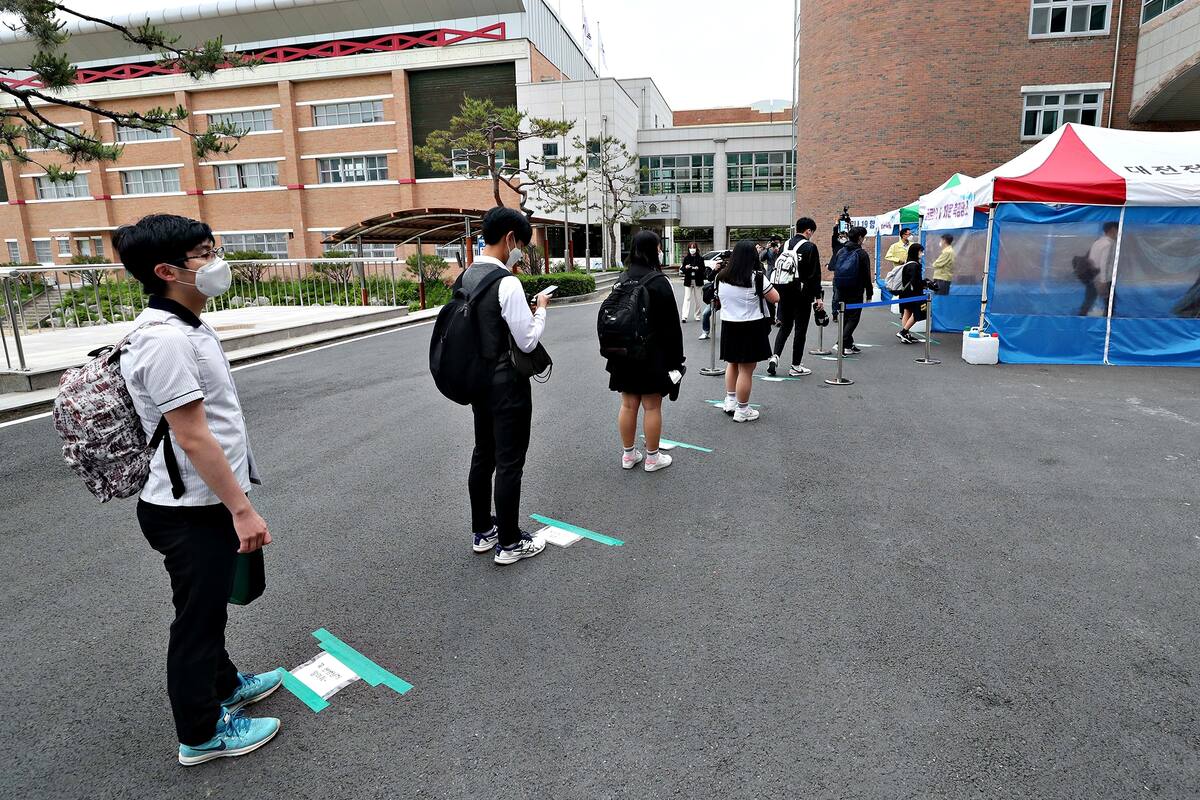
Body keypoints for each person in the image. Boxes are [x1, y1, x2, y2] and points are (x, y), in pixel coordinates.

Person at [114, 214, 282, 766]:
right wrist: (242, 509)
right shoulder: (164, 342)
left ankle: (226, 684)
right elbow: (191, 434)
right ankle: (201, 733)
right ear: (167, 271)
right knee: (198, 621)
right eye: (203, 254)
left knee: (204, 608)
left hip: (197, 503)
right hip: (189, 510)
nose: (216, 262)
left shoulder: (188, 325)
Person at [462, 207, 551, 565]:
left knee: (483, 454)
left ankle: (484, 531)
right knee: (510, 461)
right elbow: (527, 341)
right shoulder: (507, 282)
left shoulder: (467, 276)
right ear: (511, 238)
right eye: (521, 244)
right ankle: (511, 543)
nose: (520, 252)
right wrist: (541, 309)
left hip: (478, 382)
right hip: (508, 385)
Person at [605, 230, 684, 472]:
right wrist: (676, 360)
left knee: (628, 405)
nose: (660, 250)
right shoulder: (658, 281)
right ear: (654, 249)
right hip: (651, 354)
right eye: (659, 247)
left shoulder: (623, 277)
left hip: (623, 353)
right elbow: (671, 326)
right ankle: (652, 458)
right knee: (652, 406)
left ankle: (628, 455)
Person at [717, 240, 780, 422]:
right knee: (746, 369)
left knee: (732, 363)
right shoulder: (756, 277)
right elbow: (775, 297)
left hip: (729, 324)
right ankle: (743, 410)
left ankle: (730, 401)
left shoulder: (721, 276)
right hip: (750, 326)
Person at [767, 217, 823, 377]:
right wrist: (818, 297)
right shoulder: (810, 247)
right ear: (809, 231)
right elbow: (814, 275)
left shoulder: (785, 245)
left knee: (785, 326)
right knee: (800, 329)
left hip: (783, 292)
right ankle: (795, 366)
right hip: (802, 294)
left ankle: (774, 357)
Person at [830, 226, 873, 355]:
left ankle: (848, 345)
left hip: (841, 288)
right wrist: (869, 293)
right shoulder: (862, 254)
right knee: (853, 318)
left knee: (845, 316)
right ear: (860, 238)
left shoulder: (841, 251)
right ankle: (841, 343)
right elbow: (866, 275)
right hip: (856, 290)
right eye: (864, 237)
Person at [896, 242, 934, 344]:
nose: (922, 254)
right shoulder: (915, 265)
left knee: (907, 311)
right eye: (921, 251)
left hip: (905, 293)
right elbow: (915, 281)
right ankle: (903, 332)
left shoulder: (907, 263)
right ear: (915, 252)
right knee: (918, 313)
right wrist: (925, 283)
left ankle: (906, 334)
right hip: (913, 293)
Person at [1080, 221, 1118, 316]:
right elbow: (1104, 263)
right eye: (1118, 230)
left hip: (1093, 276)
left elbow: (1091, 259)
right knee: (1109, 303)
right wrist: (1103, 281)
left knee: (1089, 300)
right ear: (1113, 230)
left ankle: (1080, 317)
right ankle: (1107, 322)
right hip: (1104, 278)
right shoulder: (1109, 244)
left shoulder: (1097, 242)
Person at [679, 241, 705, 322]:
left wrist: (698, 268)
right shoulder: (686, 258)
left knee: (698, 299)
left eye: (693, 247)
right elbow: (682, 269)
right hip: (688, 281)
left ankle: (697, 315)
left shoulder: (700, 258)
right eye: (690, 248)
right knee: (687, 298)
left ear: (696, 248)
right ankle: (684, 316)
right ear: (688, 249)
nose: (692, 249)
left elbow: (703, 269)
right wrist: (686, 267)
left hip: (698, 281)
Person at [828, 229, 849, 321]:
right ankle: (834, 313)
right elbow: (834, 236)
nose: (842, 237)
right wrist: (837, 225)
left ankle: (845, 313)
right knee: (836, 296)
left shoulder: (849, 246)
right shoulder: (836, 246)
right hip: (838, 275)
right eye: (841, 236)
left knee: (847, 296)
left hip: (848, 274)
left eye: (844, 236)